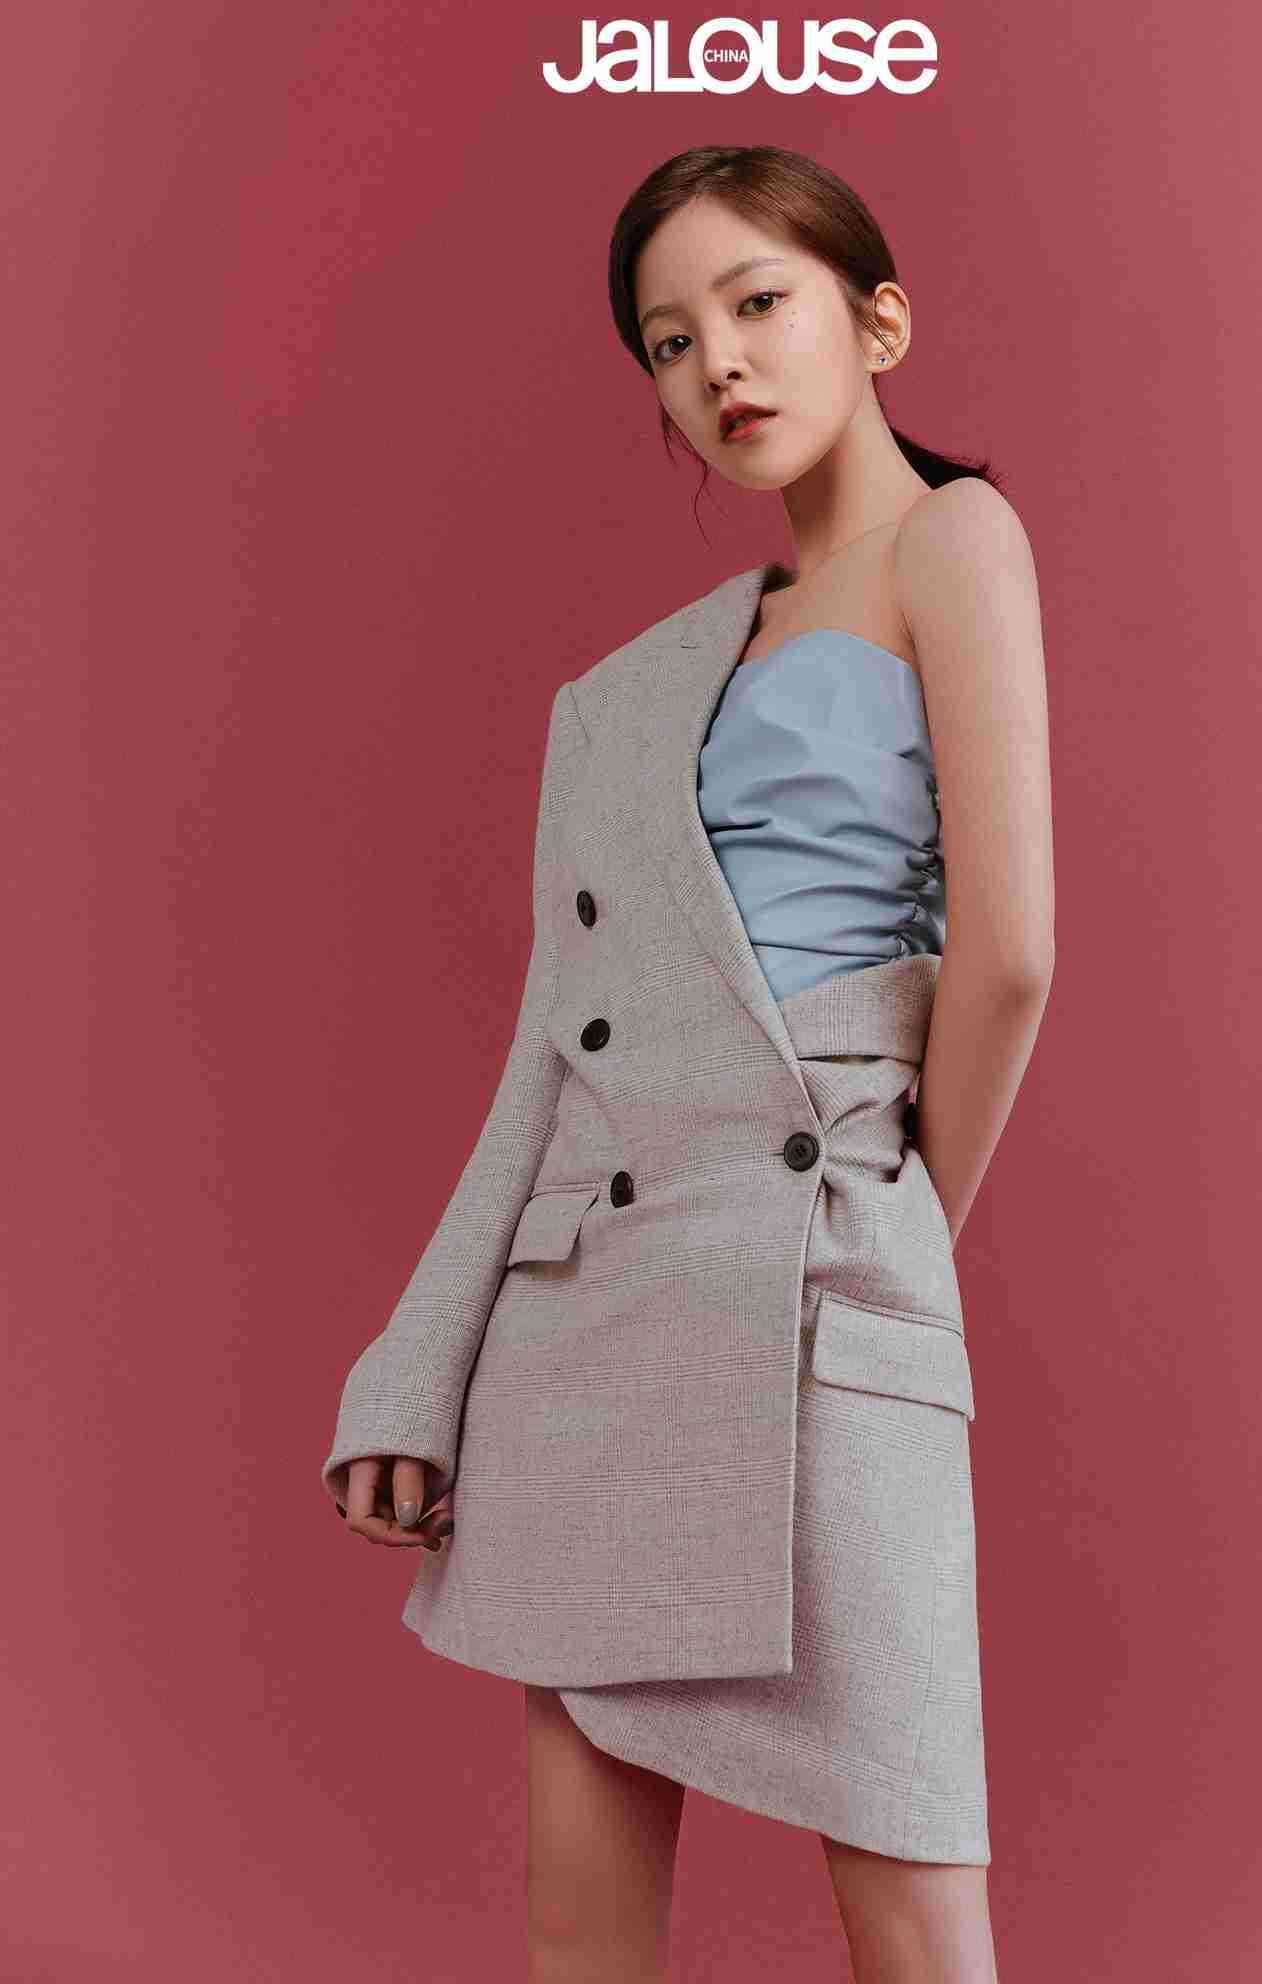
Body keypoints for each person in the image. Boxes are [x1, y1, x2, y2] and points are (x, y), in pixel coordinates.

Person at [323, 145, 1053, 1983]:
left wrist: (897, 1220)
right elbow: (552, 1053)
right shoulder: (627, 695)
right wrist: (415, 1369)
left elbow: (1012, 956)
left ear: (877, 320)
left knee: (919, 1912)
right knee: (584, 1941)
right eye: (668, 340)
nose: (716, 361)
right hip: (595, 1323)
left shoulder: (953, 541)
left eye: (757, 300)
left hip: (823, 1285)